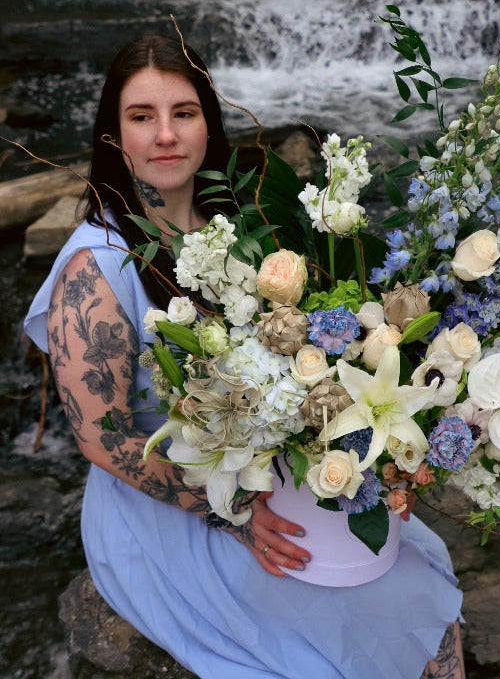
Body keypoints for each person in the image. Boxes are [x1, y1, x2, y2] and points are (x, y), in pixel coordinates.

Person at [25, 34, 465, 679]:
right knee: (376, 603)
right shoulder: (97, 268)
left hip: (264, 463)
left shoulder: (239, 222)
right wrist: (231, 513)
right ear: (113, 136)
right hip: (169, 498)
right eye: (141, 117)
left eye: (184, 112)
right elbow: (100, 435)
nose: (166, 136)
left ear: (209, 122)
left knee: (408, 565)